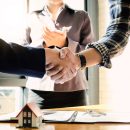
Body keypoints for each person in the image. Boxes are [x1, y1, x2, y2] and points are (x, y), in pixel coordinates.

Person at [19, 0, 93, 108]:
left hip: (74, 91)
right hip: (37, 91)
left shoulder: (81, 16)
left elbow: (90, 51)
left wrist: (65, 43)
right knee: (37, 124)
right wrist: (44, 45)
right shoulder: (31, 17)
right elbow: (22, 52)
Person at [47, 0, 130, 83]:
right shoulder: (35, 16)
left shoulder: (80, 15)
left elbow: (120, 31)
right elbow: (119, 31)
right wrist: (77, 61)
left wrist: (69, 49)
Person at [0, 38, 75, 79]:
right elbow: (24, 44)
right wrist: (45, 55)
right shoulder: (33, 16)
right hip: (37, 89)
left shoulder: (81, 16)